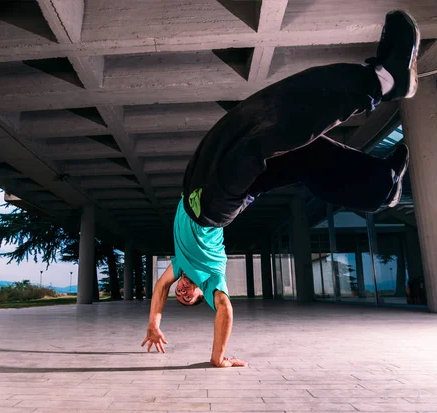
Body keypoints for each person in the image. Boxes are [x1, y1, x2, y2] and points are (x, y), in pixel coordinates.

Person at [142, 10, 420, 367]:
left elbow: (160, 289)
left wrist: (154, 322)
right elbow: (225, 310)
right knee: (263, 136)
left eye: (181, 293)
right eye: (189, 297)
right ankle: (382, 81)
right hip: (214, 206)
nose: (182, 291)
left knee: (293, 150)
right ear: (200, 294)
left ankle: (379, 186)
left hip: (200, 188)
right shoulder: (211, 278)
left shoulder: (179, 267)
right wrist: (217, 358)